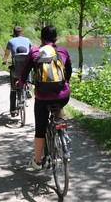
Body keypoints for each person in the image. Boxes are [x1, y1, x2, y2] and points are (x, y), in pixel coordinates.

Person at [17, 25, 72, 170]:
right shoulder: (62, 51)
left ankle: (37, 161)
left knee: (40, 130)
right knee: (58, 109)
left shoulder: (35, 51)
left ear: (41, 38)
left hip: (42, 98)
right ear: (56, 38)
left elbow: (24, 71)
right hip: (62, 96)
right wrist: (64, 85)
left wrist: (21, 82)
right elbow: (69, 72)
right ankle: (62, 132)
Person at [2, 26, 32, 117]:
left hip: (16, 71)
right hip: (26, 71)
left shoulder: (11, 41)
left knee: (13, 88)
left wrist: (4, 61)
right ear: (22, 33)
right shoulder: (28, 40)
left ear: (14, 34)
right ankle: (28, 89)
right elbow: (31, 52)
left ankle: (12, 109)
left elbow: (7, 54)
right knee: (29, 70)